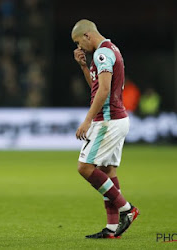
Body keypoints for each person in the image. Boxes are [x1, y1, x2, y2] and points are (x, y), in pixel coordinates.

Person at [71, 19, 139, 238]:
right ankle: (112, 229)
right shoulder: (109, 50)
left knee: (85, 168)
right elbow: (96, 88)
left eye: (78, 42)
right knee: (108, 172)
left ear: (87, 35)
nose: (79, 47)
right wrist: (83, 66)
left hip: (107, 121)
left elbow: (104, 91)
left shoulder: (102, 54)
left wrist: (88, 120)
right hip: (116, 119)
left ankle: (126, 209)